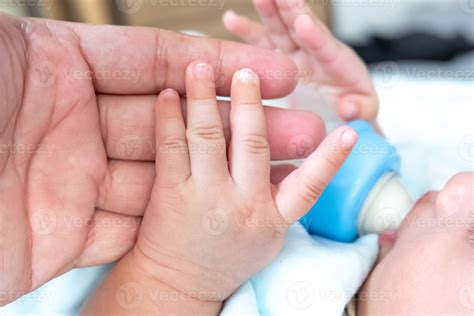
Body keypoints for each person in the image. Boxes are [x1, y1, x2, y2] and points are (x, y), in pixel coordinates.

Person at [0, 0, 378, 307]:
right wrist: (326, 124)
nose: (439, 195)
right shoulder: (384, 242)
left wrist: (179, 274)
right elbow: (361, 209)